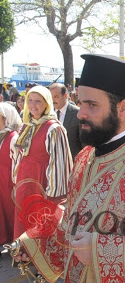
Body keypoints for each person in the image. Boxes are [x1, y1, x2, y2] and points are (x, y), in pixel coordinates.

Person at [12, 54, 125, 282]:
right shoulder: (84, 157)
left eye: (92, 105)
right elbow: (72, 217)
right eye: (80, 103)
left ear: (123, 108)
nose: (80, 113)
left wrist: (102, 250)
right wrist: (34, 242)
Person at [12, 85, 73, 239]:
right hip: (25, 180)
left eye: (38, 101)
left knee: (40, 219)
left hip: (42, 182)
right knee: (24, 216)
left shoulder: (54, 128)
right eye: (30, 100)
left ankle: (40, 257)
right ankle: (23, 254)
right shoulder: (27, 125)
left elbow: (59, 162)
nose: (33, 105)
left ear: (47, 103)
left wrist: (52, 194)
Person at [0, 103, 22, 245]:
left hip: (9, 183)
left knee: (10, 213)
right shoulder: (3, 135)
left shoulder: (13, 138)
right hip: (2, 180)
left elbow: (18, 164)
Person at [49, 83, 83, 158]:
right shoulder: (47, 113)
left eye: (56, 97)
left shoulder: (77, 113)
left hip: (72, 161)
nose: (52, 100)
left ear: (65, 96)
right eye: (50, 97)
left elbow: (83, 141)